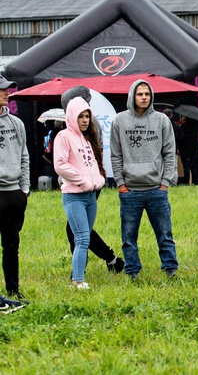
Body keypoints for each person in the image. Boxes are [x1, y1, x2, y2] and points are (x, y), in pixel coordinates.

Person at [110, 80, 178, 279]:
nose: (144, 97)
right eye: (140, 94)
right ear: (132, 96)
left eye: (147, 94)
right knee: (129, 236)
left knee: (165, 234)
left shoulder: (162, 120)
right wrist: (121, 184)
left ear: (152, 96)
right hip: (130, 190)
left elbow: (169, 152)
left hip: (157, 188)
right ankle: (132, 271)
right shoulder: (119, 121)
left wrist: (165, 182)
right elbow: (115, 154)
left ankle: (170, 269)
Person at [59, 87, 124, 274]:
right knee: (79, 228)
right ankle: (112, 261)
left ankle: (85, 268)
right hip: (82, 181)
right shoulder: (78, 124)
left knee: (77, 229)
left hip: (87, 183)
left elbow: (87, 158)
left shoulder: (89, 124)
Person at [54, 97, 107, 290]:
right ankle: (77, 280)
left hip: (91, 197)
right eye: (80, 116)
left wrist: (99, 180)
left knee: (84, 237)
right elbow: (60, 165)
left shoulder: (88, 138)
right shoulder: (63, 137)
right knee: (82, 238)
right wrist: (82, 181)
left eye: (87, 116)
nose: (84, 120)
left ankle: (78, 277)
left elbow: (93, 165)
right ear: (71, 117)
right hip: (74, 196)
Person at [0, 75, 30, 312]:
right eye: (2, 90)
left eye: (7, 89)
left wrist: (25, 189)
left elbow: (24, 157)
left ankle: (13, 290)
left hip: (14, 194)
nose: (6, 93)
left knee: (12, 246)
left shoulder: (17, 123)